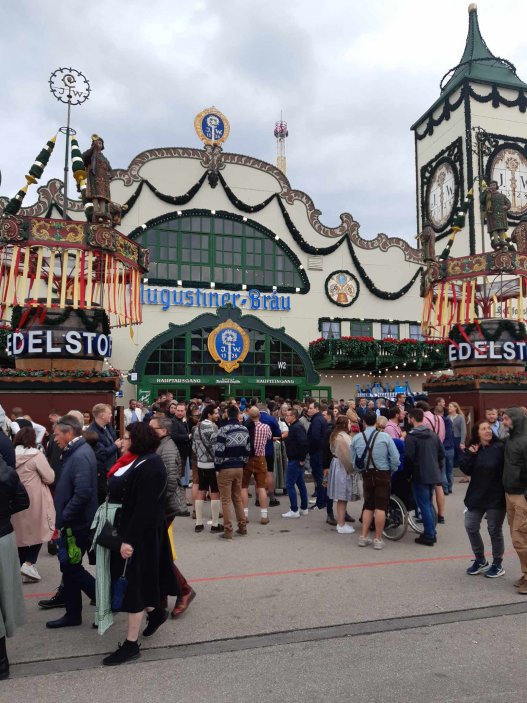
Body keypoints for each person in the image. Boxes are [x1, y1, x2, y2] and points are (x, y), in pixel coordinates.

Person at [102, 423, 179, 666]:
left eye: (126, 438)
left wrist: (128, 541)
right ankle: (155, 613)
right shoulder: (137, 460)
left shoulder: (151, 465)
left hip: (140, 535)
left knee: (133, 584)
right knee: (137, 581)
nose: (122, 441)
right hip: (133, 530)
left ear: (139, 440)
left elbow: (144, 509)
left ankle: (131, 644)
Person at [46, 414, 97, 629]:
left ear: (69, 432)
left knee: (71, 567)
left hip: (77, 524)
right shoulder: (76, 451)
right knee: (70, 568)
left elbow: (83, 492)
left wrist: (65, 516)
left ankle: (104, 598)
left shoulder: (80, 455)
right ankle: (73, 612)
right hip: (75, 522)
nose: (55, 439)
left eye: (57, 434)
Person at [459, 421, 506, 578]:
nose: (488, 431)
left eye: (489, 428)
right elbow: (466, 469)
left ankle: (497, 563)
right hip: (476, 495)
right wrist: (470, 454)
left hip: (496, 496)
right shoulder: (474, 449)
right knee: (470, 525)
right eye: (484, 429)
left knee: (494, 529)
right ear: (477, 433)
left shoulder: (500, 448)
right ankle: (480, 560)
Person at [10, 427, 55, 583]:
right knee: (40, 530)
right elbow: (49, 477)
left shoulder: (9, 455)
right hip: (35, 499)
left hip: (15, 498)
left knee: (20, 533)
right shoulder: (36, 455)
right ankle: (29, 563)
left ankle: (24, 565)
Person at [351, 410, 400, 550]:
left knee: (368, 505)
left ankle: (364, 537)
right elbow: (395, 458)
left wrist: (360, 470)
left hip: (366, 474)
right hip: (383, 473)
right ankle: (378, 539)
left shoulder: (357, 438)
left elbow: (353, 461)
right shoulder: (385, 437)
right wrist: (391, 469)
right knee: (381, 507)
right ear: (376, 422)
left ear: (364, 422)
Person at [0, 454, 29, 680]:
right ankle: (2, 663)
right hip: (4, 537)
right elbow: (23, 501)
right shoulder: (7, 471)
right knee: (4, 595)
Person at [404, 408, 444, 547]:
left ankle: (429, 535)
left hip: (419, 473)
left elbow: (408, 457)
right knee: (428, 503)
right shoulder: (433, 434)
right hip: (432, 473)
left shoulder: (411, 436)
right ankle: (431, 530)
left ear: (412, 419)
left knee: (424, 505)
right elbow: (441, 453)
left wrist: (407, 474)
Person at [214, 405, 250, 540]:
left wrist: (217, 467)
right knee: (237, 498)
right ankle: (242, 527)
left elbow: (219, 450)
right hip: (239, 467)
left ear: (227, 415)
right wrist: (243, 463)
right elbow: (247, 450)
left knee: (226, 500)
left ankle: (228, 530)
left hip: (225, 467)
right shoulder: (244, 429)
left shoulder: (223, 430)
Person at [501, 408, 527, 594]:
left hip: (521, 496)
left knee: (521, 538)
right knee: (517, 537)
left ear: (516, 420)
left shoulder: (524, 440)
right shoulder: (511, 438)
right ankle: (526, 573)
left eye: (507, 418)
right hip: (510, 493)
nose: (504, 422)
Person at [327, 416, 360, 534]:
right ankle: (341, 524)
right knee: (342, 496)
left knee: (342, 496)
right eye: (349, 423)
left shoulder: (336, 435)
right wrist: (352, 469)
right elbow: (346, 457)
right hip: (342, 467)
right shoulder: (342, 437)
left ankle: (341, 523)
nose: (351, 425)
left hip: (338, 465)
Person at [191, 404, 222, 533]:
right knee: (215, 492)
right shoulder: (213, 427)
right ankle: (215, 524)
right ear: (209, 414)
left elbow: (193, 447)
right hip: (211, 464)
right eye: (215, 413)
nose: (217, 415)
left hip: (200, 463)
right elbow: (216, 448)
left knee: (201, 491)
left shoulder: (196, 427)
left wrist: (200, 457)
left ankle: (199, 523)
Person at [150, 417, 188, 517]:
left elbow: (171, 480)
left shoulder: (168, 448)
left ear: (163, 431)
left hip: (166, 505)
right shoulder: (161, 444)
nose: (148, 431)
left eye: (151, 428)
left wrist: (159, 497)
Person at [242, 407, 272, 525]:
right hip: (260, 458)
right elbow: (269, 437)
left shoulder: (245, 428)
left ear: (249, 415)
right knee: (261, 487)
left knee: (243, 487)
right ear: (259, 415)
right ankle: (264, 515)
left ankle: (244, 515)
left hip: (247, 458)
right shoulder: (265, 427)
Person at [88, 403, 122, 505]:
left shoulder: (107, 427)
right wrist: (116, 446)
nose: (111, 415)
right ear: (102, 415)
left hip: (112, 470)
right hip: (102, 473)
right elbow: (101, 453)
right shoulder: (92, 432)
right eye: (109, 413)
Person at [282, 408, 309, 518]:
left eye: (288, 415)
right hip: (296, 459)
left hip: (296, 460)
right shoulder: (294, 427)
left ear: (294, 416)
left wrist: (302, 459)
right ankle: (303, 508)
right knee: (300, 483)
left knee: (289, 484)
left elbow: (303, 444)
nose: (286, 417)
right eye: (286, 415)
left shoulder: (296, 427)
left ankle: (294, 510)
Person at [307, 401, 327, 511]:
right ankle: (323, 501)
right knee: (322, 479)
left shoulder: (317, 420)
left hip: (317, 453)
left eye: (310, 408)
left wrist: (311, 450)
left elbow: (315, 438)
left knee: (319, 479)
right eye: (308, 408)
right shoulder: (320, 419)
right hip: (320, 452)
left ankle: (320, 503)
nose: (309, 410)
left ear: (316, 409)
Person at [480, 179, 512, 250]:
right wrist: (485, 191)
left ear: (496, 186)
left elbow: (508, 203)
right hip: (492, 215)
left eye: (494, 185)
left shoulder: (502, 195)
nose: (492, 186)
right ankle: (496, 241)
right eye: (491, 185)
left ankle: (502, 241)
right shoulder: (488, 195)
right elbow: (481, 200)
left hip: (501, 214)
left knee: (501, 229)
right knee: (494, 229)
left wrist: (506, 206)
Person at [447, 402, 466, 468]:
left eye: (450, 406)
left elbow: (463, 430)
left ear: (455, 408)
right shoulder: (447, 417)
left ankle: (461, 469)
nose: (449, 408)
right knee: (452, 454)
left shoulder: (460, 417)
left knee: (460, 454)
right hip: (450, 438)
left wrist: (462, 442)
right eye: (449, 406)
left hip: (458, 438)